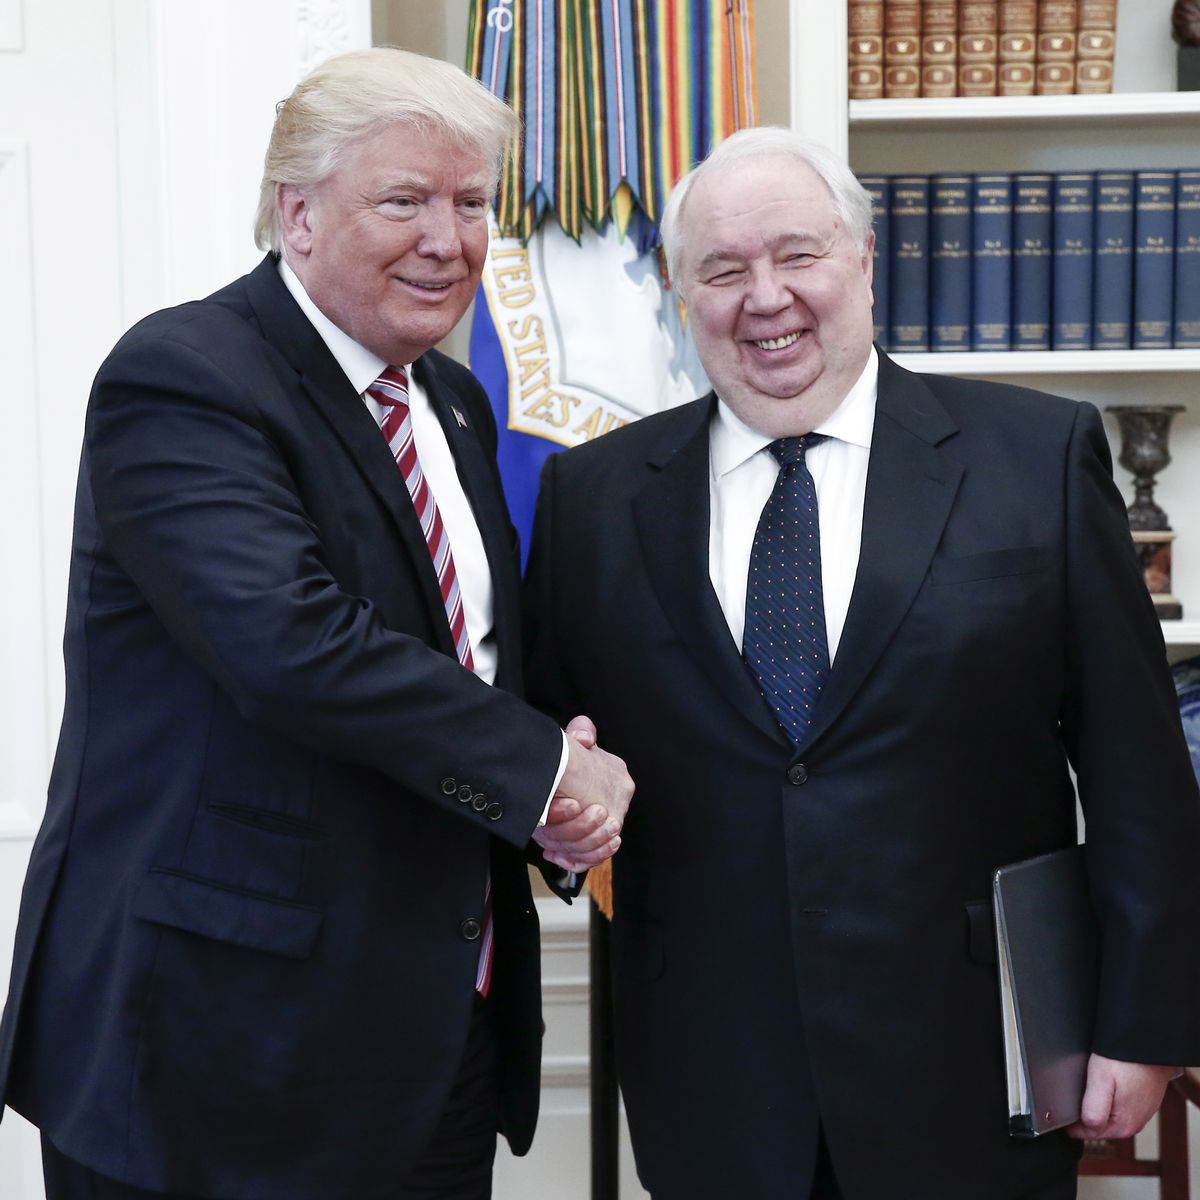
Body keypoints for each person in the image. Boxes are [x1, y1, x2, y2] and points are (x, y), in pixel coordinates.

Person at [0, 47, 632, 1200]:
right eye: (405, 200)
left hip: (435, 1040)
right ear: (296, 213)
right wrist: (544, 770)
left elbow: (469, 660)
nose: (448, 240)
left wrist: (549, 793)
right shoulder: (185, 376)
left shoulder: (453, 402)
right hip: (218, 1049)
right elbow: (290, 646)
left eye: (473, 203)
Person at [523, 126, 1200, 1200]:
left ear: (864, 257)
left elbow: (1138, 771)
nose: (767, 298)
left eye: (798, 255)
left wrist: (1144, 1023)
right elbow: (548, 751)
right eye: (723, 270)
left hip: (973, 1063)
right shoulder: (591, 501)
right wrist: (558, 819)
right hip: (710, 1075)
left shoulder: (1037, 457)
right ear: (678, 293)